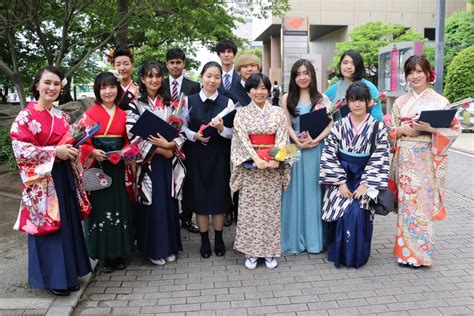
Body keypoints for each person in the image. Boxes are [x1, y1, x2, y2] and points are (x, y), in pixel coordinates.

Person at [10, 66, 91, 296]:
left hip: (64, 176)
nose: (52, 88)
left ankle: (70, 273)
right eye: (47, 82)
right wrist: (55, 153)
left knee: (67, 224)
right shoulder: (26, 116)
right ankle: (55, 279)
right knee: (49, 228)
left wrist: (75, 150)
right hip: (43, 179)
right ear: (37, 85)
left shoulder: (62, 116)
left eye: (57, 84)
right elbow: (21, 149)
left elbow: (73, 144)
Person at [390, 55, 460, 268]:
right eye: (411, 72)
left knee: (422, 206)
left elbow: (454, 130)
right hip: (405, 159)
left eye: (419, 71)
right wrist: (399, 130)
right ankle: (406, 254)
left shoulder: (440, 101)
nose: (415, 76)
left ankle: (421, 255)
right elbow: (389, 130)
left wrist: (429, 129)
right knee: (406, 207)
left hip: (426, 160)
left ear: (428, 73)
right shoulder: (400, 102)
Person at [319, 81, 389, 269]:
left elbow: (380, 157)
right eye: (353, 100)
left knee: (358, 211)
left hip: (365, 178)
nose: (357, 104)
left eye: (361, 100)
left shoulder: (377, 127)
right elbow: (329, 154)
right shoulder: (339, 125)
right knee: (340, 211)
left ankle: (357, 256)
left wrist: (366, 185)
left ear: (369, 102)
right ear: (347, 102)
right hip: (341, 177)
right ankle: (339, 254)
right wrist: (340, 183)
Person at [126, 60, 183, 265]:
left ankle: (169, 246)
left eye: (158, 76)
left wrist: (172, 147)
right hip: (148, 164)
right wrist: (163, 148)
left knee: (168, 203)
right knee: (152, 203)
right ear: (142, 79)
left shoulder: (170, 103)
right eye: (149, 76)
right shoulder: (135, 104)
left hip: (167, 163)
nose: (154, 80)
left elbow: (180, 132)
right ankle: (153, 249)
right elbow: (133, 136)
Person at [230, 73, 289, 270]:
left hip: (272, 169)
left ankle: (271, 252)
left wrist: (276, 159)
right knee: (250, 212)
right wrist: (255, 158)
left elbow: (282, 137)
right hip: (251, 169)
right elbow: (241, 139)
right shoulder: (242, 113)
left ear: (268, 90)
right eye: (255, 88)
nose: (259, 92)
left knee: (271, 212)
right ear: (249, 91)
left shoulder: (278, 112)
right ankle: (251, 252)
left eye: (263, 88)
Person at [80, 72, 134, 273]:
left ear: (117, 89)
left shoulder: (124, 114)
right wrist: (92, 150)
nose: (108, 91)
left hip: (118, 167)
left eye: (111, 87)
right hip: (98, 167)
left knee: (120, 205)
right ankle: (103, 255)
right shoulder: (90, 114)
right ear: (97, 91)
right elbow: (81, 141)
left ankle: (120, 252)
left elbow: (128, 142)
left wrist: (126, 151)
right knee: (100, 210)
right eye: (103, 87)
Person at [181, 61, 233, 258]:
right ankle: (204, 241)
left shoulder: (227, 103)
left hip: (219, 156)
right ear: (201, 77)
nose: (212, 80)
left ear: (221, 80)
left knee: (218, 198)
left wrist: (221, 128)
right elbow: (181, 127)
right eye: (209, 75)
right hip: (196, 156)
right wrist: (194, 135)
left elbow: (232, 134)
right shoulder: (188, 101)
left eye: (217, 77)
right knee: (200, 199)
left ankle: (218, 239)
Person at [280, 59, 332, 254]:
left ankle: (314, 241)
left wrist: (316, 140)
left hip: (316, 149)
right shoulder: (286, 98)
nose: (302, 77)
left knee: (313, 193)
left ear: (312, 75)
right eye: (298, 74)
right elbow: (285, 124)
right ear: (294, 77)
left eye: (306, 73)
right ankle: (292, 240)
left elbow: (330, 124)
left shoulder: (322, 98)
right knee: (292, 193)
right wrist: (297, 141)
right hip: (294, 150)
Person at [163, 47, 200, 233]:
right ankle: (168, 218)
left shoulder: (193, 86)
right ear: (167, 64)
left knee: (188, 180)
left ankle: (186, 217)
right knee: (166, 179)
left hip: (187, 140)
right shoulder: (159, 84)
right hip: (164, 141)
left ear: (184, 63)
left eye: (178, 62)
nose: (175, 66)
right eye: (172, 63)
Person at [215, 39, 241, 227]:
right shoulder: (214, 76)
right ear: (219, 55)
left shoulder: (242, 78)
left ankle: (239, 208)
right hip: (220, 133)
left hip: (241, 133)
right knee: (223, 173)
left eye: (229, 51)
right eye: (223, 52)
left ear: (233, 54)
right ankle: (225, 208)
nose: (226, 54)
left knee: (240, 171)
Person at [325, 50, 383, 122]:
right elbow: (325, 116)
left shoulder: (370, 88)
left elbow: (377, 116)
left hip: (366, 131)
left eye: (353, 63)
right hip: (339, 131)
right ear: (340, 65)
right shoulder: (331, 90)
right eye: (345, 63)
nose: (349, 67)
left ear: (359, 66)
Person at [109, 44, 139, 111]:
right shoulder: (109, 90)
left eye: (126, 64)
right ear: (113, 66)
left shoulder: (140, 90)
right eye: (118, 65)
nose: (122, 68)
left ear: (132, 66)